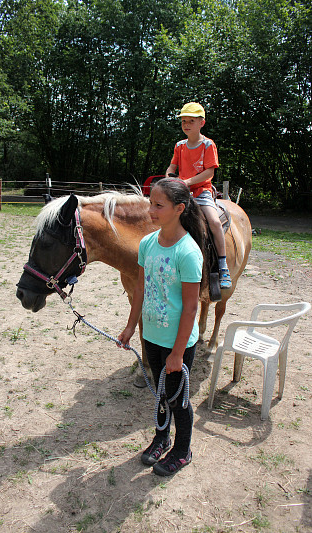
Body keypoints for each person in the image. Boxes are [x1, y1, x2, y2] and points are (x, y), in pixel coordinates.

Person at [118, 178, 205, 476]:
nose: (151, 210)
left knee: (178, 399)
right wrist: (131, 327)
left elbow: (191, 307)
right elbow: (140, 289)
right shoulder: (147, 243)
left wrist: (178, 353)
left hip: (177, 344)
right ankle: (161, 436)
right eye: (150, 203)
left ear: (179, 208)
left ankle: (183, 450)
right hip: (152, 336)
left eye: (158, 205)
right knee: (160, 393)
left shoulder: (188, 252)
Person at [165, 101, 232, 289]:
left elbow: (209, 173)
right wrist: (168, 178)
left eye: (191, 121)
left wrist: (186, 182)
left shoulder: (208, 145)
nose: (186, 124)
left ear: (201, 123)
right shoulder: (179, 145)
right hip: (182, 192)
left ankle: (222, 264)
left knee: (215, 222)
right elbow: (172, 167)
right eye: (183, 121)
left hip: (201, 192)